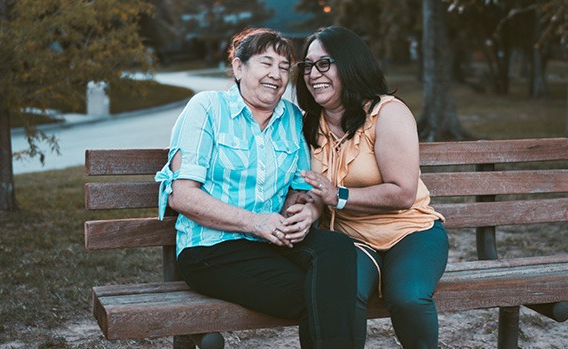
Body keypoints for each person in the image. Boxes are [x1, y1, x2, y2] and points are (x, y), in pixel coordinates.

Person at [155, 27, 357, 349]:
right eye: (266, 63)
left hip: (270, 241)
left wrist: (305, 211)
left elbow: (300, 189)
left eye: (283, 67)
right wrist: (255, 222)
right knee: (324, 294)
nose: (276, 75)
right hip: (211, 249)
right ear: (238, 67)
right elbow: (182, 194)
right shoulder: (207, 109)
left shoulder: (292, 118)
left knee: (338, 249)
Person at [295, 26, 449, 349]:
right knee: (338, 297)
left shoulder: (387, 113)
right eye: (308, 65)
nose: (313, 74)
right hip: (350, 240)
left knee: (407, 297)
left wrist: (338, 195)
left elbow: (403, 192)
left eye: (324, 63)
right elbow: (311, 191)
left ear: (350, 64)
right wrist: (306, 210)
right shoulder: (307, 123)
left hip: (411, 233)